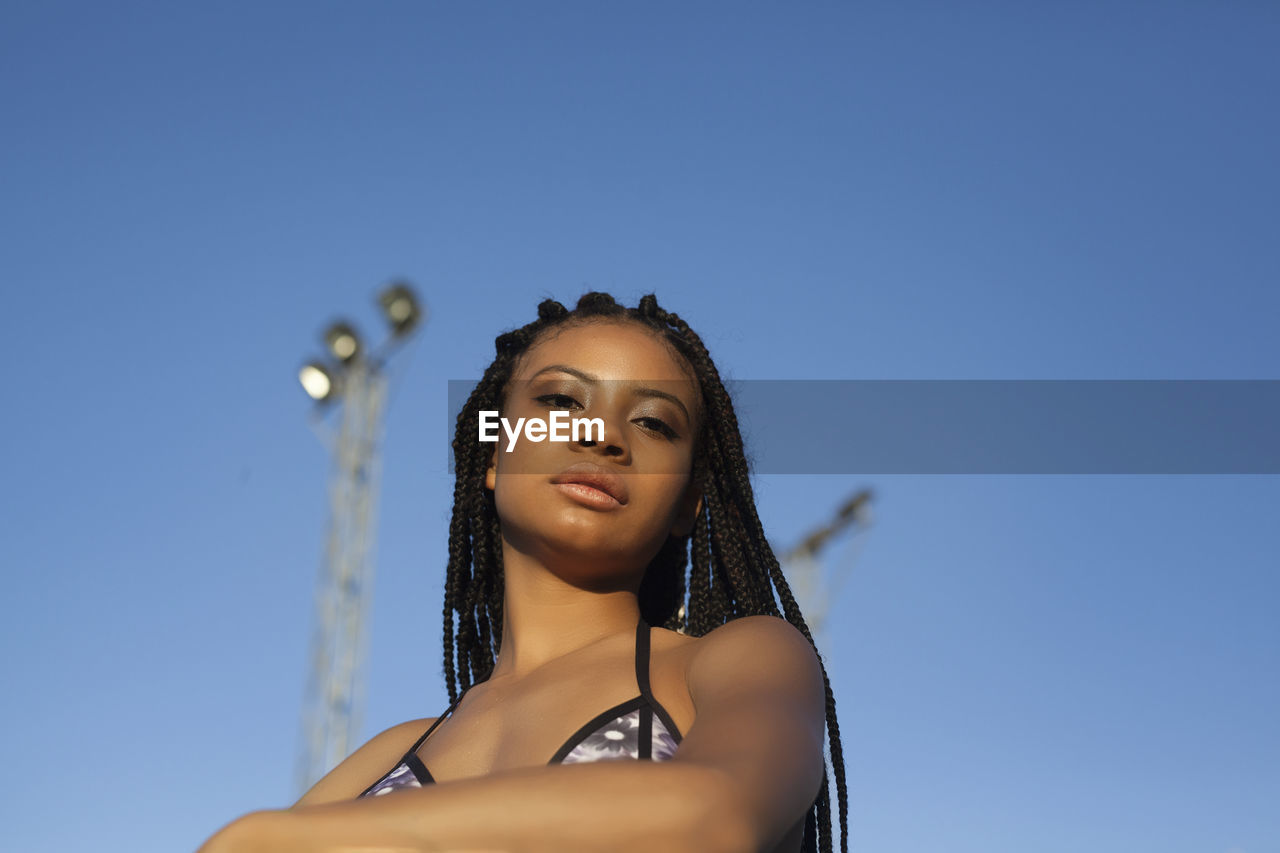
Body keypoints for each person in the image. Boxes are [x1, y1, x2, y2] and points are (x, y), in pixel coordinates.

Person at [198, 292, 849, 853]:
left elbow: (716, 815)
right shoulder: (389, 754)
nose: (604, 437)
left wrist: (304, 837)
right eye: (563, 400)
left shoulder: (743, 659)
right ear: (493, 452)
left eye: (653, 421)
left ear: (686, 502)